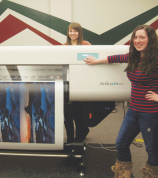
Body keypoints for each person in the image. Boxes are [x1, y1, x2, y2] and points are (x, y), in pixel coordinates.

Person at [84, 25, 158, 178]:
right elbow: (115, 58)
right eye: (135, 37)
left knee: (152, 150)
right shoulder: (133, 56)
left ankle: (151, 174)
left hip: (151, 113)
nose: (137, 41)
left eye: (142, 37)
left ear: (150, 39)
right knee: (121, 143)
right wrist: (96, 61)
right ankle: (124, 174)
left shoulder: (156, 59)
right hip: (133, 110)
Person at [63, 22, 90, 143]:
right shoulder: (63, 46)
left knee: (78, 114)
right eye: (70, 31)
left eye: (75, 31)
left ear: (79, 33)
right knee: (66, 114)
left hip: (81, 82)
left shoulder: (86, 45)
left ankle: (80, 135)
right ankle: (69, 139)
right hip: (67, 83)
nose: (72, 33)